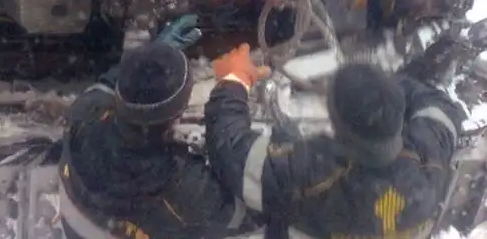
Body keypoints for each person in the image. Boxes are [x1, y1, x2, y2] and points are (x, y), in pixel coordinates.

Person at [204, 43, 466, 239]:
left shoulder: (313, 174)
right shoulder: (430, 157)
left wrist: (235, 80)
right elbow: (440, 107)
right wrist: (381, 88)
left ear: (339, 128)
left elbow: (232, 152)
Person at [59, 16, 258, 239]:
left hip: (75, 227)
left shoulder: (85, 116)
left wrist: (149, 58)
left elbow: (105, 87)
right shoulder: (179, 186)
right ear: (177, 113)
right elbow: (241, 214)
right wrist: (233, 89)